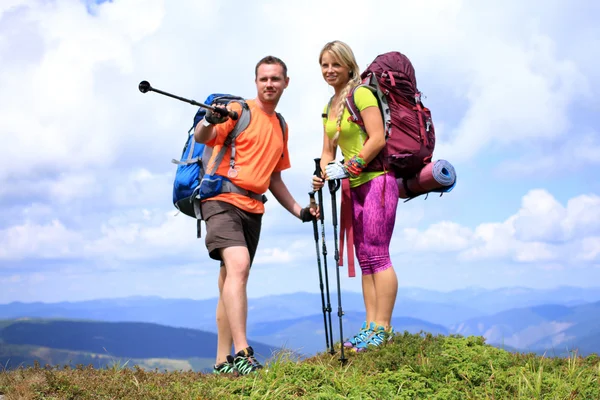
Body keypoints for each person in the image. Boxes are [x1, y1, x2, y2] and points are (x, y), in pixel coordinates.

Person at [194, 55, 316, 374]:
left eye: (275, 79)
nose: (269, 84)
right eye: (264, 79)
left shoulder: (281, 125)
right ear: (255, 81)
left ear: (286, 83)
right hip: (221, 199)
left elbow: (274, 178)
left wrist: (300, 212)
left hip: (254, 208)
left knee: (229, 278)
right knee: (239, 266)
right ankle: (243, 353)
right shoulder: (237, 110)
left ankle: (222, 362)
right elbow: (202, 138)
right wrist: (208, 120)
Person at [312, 41, 399, 352]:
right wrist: (324, 172)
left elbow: (377, 137)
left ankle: (383, 328)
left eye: (335, 64)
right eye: (324, 65)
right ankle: (370, 327)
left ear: (349, 65)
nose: (330, 70)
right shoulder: (329, 107)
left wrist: (354, 164)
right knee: (365, 257)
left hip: (378, 181)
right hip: (354, 186)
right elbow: (326, 152)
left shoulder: (361, 94)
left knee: (378, 253)